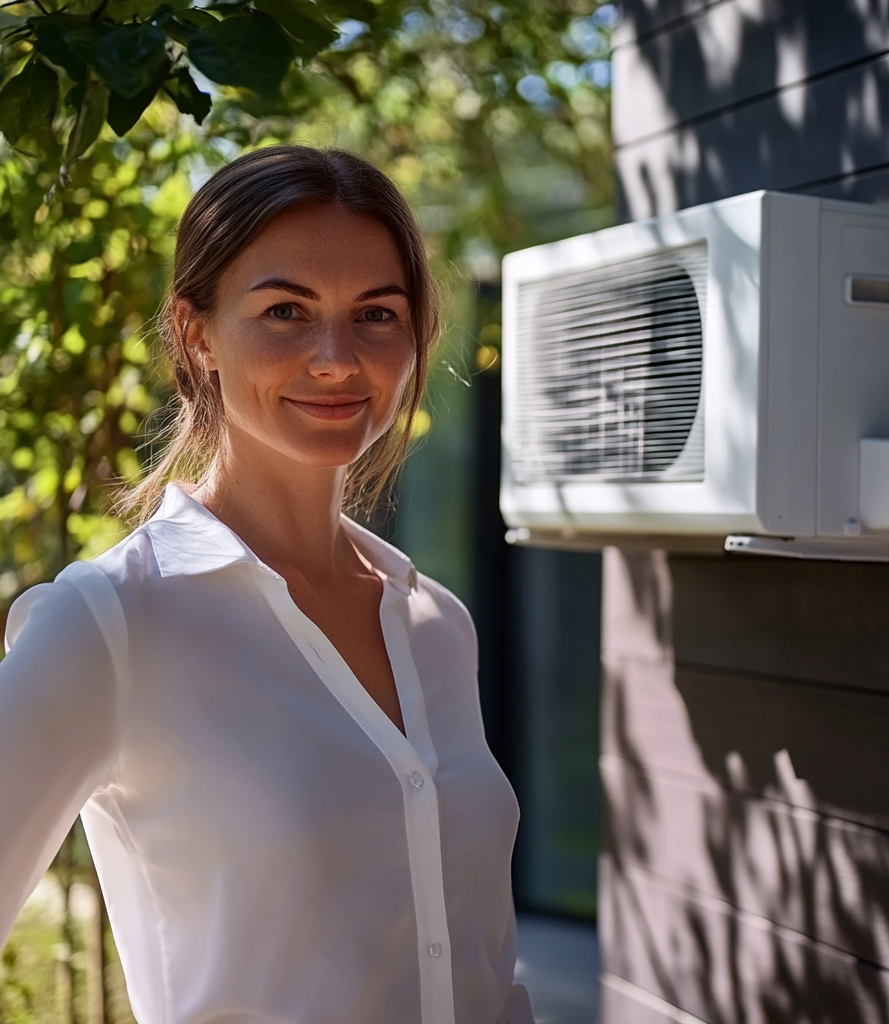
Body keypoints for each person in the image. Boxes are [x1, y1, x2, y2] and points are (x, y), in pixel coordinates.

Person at [0, 145, 533, 1024]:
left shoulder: (438, 623)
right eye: (286, 310)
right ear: (195, 333)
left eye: (377, 314)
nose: (336, 358)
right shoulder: (110, 625)